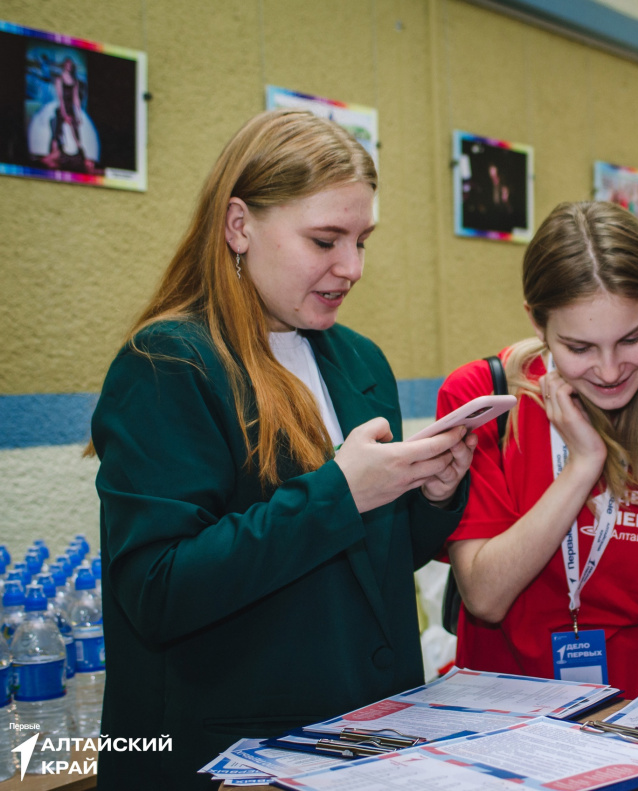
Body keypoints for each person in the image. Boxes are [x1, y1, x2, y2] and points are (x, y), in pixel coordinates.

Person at [89, 109, 476, 790]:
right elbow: (159, 589)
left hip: (364, 736)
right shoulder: (168, 364)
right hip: (232, 754)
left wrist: (432, 494)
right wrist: (342, 490)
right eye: (325, 239)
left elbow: (367, 563)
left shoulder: (357, 361)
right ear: (239, 225)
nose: (351, 267)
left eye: (362, 240)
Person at [439, 201, 638, 700]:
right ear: (537, 322)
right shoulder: (483, 399)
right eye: (580, 348)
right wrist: (584, 465)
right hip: (503, 715)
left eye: (633, 338)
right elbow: (484, 595)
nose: (611, 370)